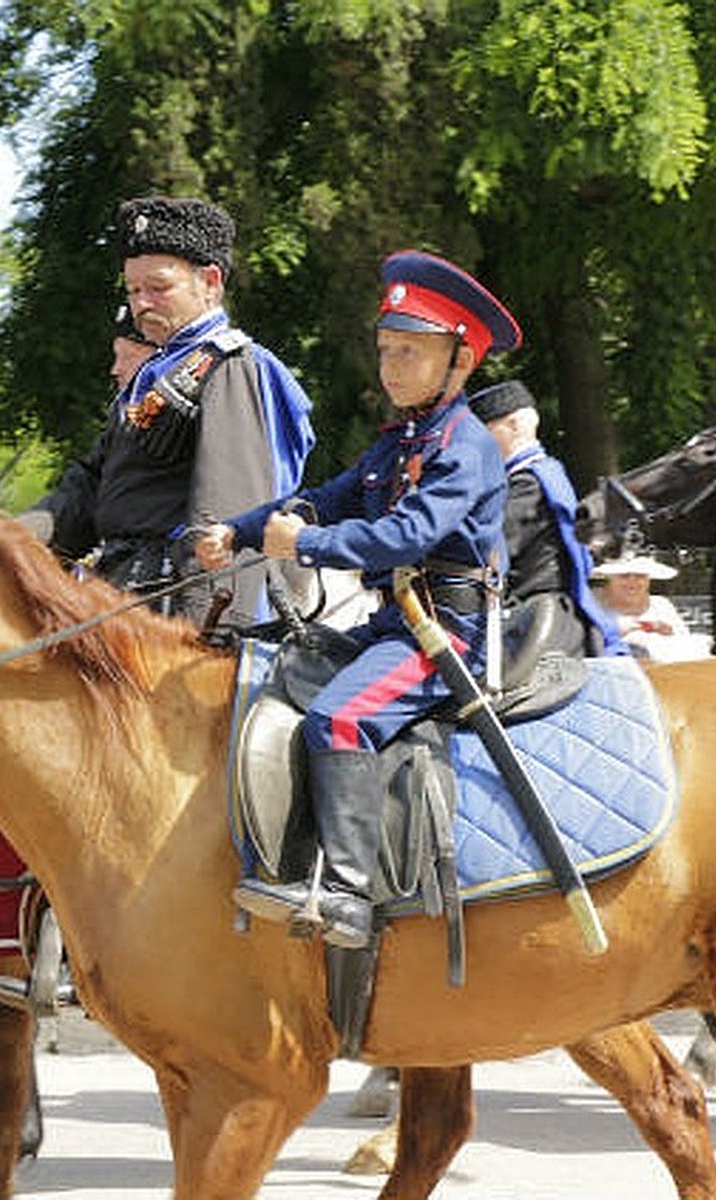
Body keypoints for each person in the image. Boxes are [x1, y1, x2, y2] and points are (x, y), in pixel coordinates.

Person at [197, 249, 521, 950]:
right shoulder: (401, 440)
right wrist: (241, 529)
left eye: (411, 351)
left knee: (341, 721)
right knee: (270, 677)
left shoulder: (464, 446)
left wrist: (302, 547)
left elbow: (404, 537)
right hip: (394, 623)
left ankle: (346, 892)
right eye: (386, 349)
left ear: (460, 363)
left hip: (445, 638)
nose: (392, 366)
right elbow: (323, 500)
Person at [26, 196, 316, 626]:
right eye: (133, 290)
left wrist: (209, 637)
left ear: (211, 283)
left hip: (174, 614)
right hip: (119, 596)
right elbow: (85, 495)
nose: (142, 304)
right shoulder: (154, 375)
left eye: (158, 288)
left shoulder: (231, 366)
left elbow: (224, 521)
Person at [468, 379, 625, 659]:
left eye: (483, 431)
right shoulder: (548, 472)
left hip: (531, 617)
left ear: (514, 426)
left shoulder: (527, 483)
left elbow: (484, 552)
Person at [592, 553, 710, 662]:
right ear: (610, 578)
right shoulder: (592, 604)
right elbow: (583, 645)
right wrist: (622, 632)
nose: (632, 581)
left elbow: (686, 645)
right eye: (624, 576)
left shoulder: (661, 605)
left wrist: (668, 632)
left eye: (640, 576)